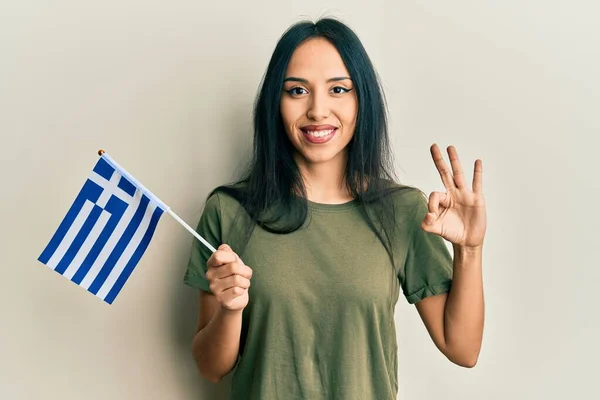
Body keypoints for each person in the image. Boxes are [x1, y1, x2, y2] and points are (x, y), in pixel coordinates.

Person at [183, 17, 486, 400]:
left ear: (362, 101)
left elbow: (463, 349)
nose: (317, 110)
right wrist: (230, 310)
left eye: (338, 89)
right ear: (275, 103)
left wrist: (470, 250)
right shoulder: (229, 210)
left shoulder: (404, 211)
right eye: (296, 91)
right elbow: (210, 369)